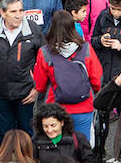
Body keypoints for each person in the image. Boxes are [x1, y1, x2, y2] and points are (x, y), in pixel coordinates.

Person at [0, 0, 43, 139]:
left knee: (26, 134)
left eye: (20, 11)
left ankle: (26, 161)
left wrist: (37, 88)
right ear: (2, 12)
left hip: (25, 93)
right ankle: (6, 161)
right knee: (5, 135)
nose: (18, 15)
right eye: (13, 11)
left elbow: (44, 62)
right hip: (0, 93)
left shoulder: (33, 30)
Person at [31, 10, 103, 141]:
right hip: (83, 106)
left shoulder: (45, 52)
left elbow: (40, 86)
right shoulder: (86, 49)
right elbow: (97, 80)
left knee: (57, 148)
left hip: (55, 109)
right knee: (83, 148)